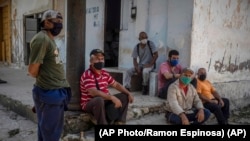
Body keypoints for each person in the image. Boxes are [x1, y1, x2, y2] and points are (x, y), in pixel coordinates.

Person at [28, 10, 71, 141]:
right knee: (51, 134)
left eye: (61, 22)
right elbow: (33, 71)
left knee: (47, 131)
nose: (60, 25)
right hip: (49, 93)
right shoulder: (42, 39)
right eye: (57, 22)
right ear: (46, 22)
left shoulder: (49, 39)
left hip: (53, 92)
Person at [80, 49, 134, 125]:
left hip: (104, 100)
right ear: (91, 61)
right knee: (99, 100)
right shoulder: (88, 75)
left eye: (102, 59)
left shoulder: (104, 73)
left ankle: (119, 122)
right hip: (90, 103)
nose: (100, 61)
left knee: (124, 96)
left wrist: (128, 93)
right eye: (97, 59)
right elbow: (93, 92)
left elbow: (116, 84)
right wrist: (112, 97)